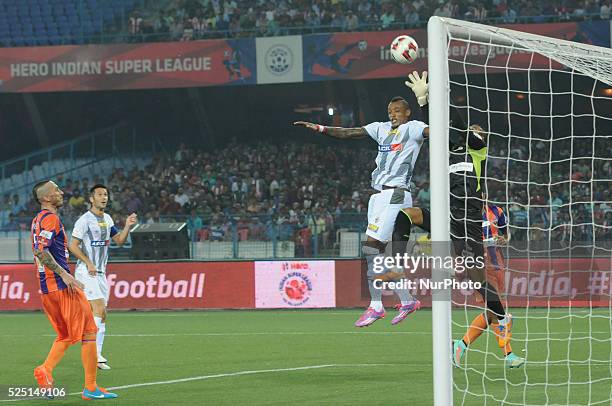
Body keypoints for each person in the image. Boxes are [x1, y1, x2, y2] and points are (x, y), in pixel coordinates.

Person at [405, 71, 524, 368]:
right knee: (492, 300)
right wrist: (425, 101)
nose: (475, 132)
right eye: (472, 129)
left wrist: (433, 98)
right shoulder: (447, 151)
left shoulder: (478, 150)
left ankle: (477, 343)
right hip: (454, 218)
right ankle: (499, 349)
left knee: (484, 291)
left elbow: (456, 125)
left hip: (472, 222)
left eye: (477, 131)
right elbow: (444, 127)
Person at [294, 94, 427, 327]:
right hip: (377, 196)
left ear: (407, 113)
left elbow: (433, 132)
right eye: (390, 109)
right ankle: (406, 300)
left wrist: (426, 102)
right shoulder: (381, 128)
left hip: (396, 193)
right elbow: (349, 132)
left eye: (397, 110)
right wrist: (320, 128)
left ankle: (376, 306)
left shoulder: (414, 128)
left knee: (371, 246)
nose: (392, 113)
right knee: (374, 250)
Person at [30, 180, 118, 400]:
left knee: (67, 335)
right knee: (89, 331)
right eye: (56, 190)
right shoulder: (50, 219)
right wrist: (64, 273)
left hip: (47, 289)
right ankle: (90, 387)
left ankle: (46, 371)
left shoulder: (37, 220)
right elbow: (41, 251)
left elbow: (37, 249)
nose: (61, 193)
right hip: (61, 286)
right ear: (46, 198)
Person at [69, 184, 137, 370]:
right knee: (98, 309)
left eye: (105, 194)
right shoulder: (84, 220)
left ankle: (96, 352)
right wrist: (88, 262)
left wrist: (128, 226)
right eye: (99, 194)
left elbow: (120, 241)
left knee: (102, 314)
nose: (104, 197)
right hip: (86, 271)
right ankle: (94, 354)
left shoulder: (107, 218)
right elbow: (72, 245)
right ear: (91, 199)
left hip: (101, 273)